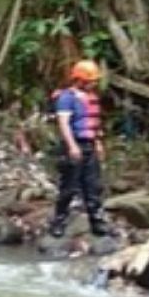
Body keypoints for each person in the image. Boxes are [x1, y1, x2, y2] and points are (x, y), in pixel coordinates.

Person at [48, 59, 113, 238]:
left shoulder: (90, 97)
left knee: (93, 186)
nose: (94, 84)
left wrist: (98, 143)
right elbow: (64, 124)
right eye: (91, 80)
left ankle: (97, 223)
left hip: (89, 145)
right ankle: (58, 222)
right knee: (69, 187)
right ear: (80, 80)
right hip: (74, 144)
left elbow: (93, 124)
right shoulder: (66, 98)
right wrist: (72, 146)